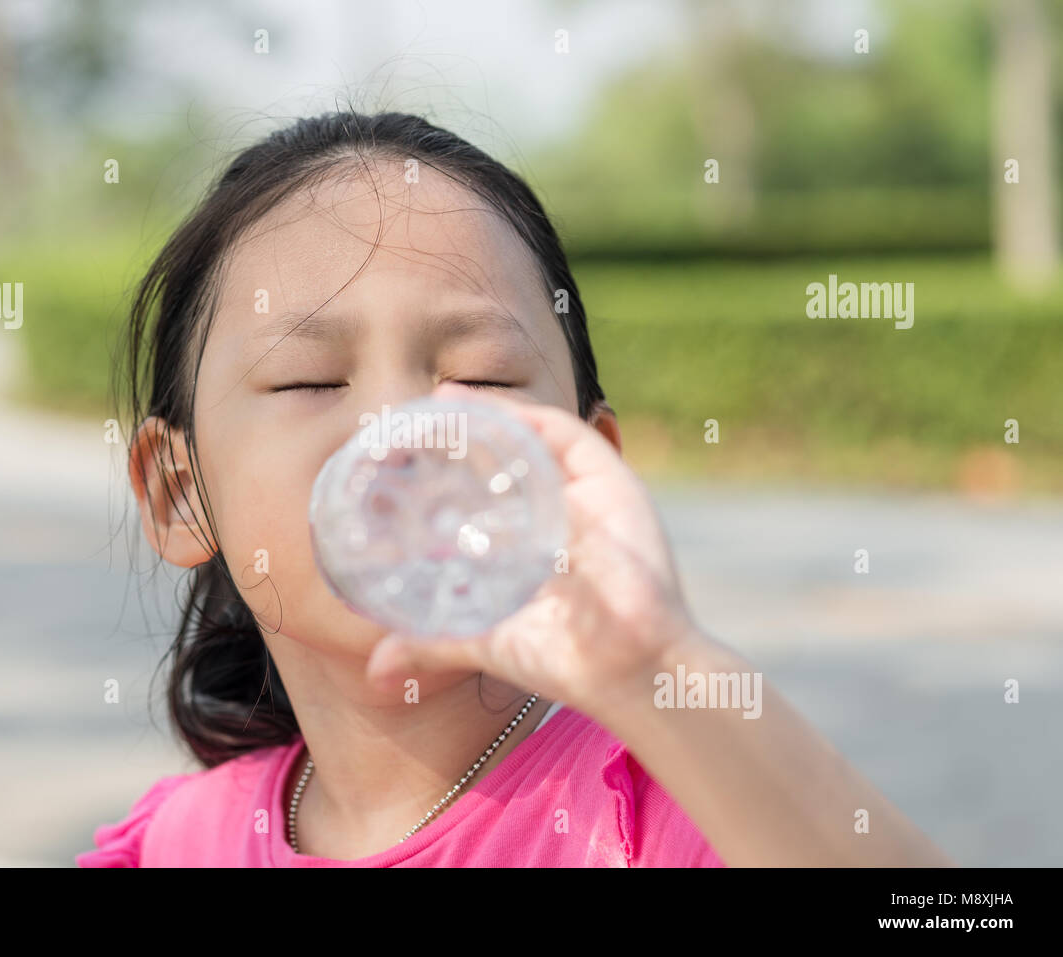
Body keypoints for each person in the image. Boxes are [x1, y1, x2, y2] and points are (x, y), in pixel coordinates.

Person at [76, 109, 952, 867]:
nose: (400, 430)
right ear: (177, 491)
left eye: (482, 378)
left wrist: (657, 665)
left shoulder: (687, 806)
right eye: (309, 378)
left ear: (584, 466)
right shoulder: (177, 844)